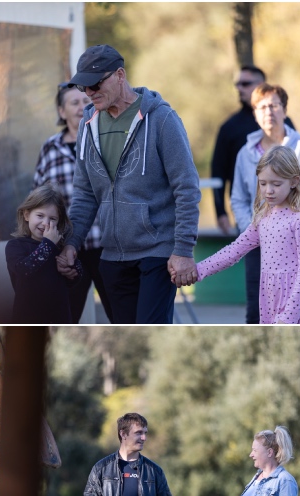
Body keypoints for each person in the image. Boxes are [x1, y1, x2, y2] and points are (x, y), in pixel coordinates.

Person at [57, 45, 202, 324]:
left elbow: (186, 188)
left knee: (151, 330)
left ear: (120, 75)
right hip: (112, 257)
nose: (89, 92)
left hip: (157, 253)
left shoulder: (162, 119)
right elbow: (85, 194)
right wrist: (72, 241)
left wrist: (183, 250)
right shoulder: (88, 124)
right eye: (84, 86)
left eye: (96, 84)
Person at [228, 83, 300, 323]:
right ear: (254, 113)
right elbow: (238, 198)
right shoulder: (245, 153)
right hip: (259, 246)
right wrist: (258, 229)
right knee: (256, 314)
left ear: (284, 109)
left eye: (274, 105)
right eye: (262, 107)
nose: (269, 111)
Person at [194, 146, 300, 324]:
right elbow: (234, 250)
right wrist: (198, 270)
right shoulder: (262, 219)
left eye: (276, 184)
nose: (268, 191)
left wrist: (288, 317)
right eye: (263, 183)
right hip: (271, 303)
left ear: (294, 181)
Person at [34, 83, 109, 322]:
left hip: (105, 243)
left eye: (86, 102)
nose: (81, 107)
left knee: (119, 311)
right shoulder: (50, 148)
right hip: (66, 249)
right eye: (74, 103)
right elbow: (39, 196)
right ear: (61, 111)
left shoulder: (106, 141)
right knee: (65, 315)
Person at [210, 66, 296, 238]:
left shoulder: (286, 125)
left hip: (291, 222)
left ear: (262, 85)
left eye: (245, 83)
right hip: (250, 220)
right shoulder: (229, 127)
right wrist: (221, 212)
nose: (239, 89)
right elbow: (218, 171)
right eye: (237, 84)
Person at [5, 183, 83, 323]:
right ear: (27, 214)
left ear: (59, 222)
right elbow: (23, 270)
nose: (45, 223)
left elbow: (76, 279)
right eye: (40, 215)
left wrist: (71, 268)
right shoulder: (15, 246)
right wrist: (48, 244)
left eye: (52, 219)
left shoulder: (60, 248)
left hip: (59, 319)